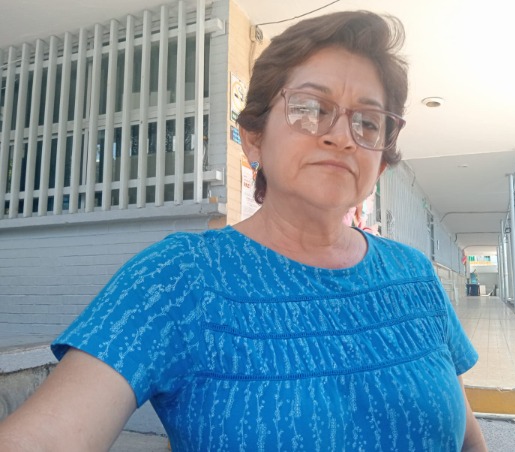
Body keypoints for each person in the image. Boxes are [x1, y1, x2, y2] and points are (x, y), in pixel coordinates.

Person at [0, 10, 487, 451]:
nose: (342, 136)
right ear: (253, 138)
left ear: (380, 163)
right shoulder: (179, 277)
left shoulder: (415, 276)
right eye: (309, 107)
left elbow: (467, 438)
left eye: (369, 122)